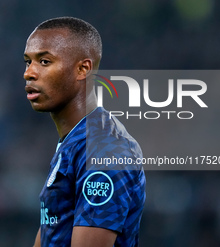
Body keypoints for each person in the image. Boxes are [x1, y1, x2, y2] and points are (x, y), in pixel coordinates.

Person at [23, 16, 146, 247]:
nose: (28, 73)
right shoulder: (76, 140)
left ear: (83, 69)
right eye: (27, 61)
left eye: (45, 61)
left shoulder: (105, 150)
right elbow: (52, 229)